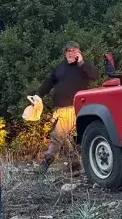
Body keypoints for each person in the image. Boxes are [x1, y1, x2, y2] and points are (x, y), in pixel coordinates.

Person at [32, 41, 98, 173]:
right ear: (65, 53)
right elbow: (49, 82)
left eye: (74, 50)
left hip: (73, 107)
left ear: (79, 52)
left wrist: (81, 63)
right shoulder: (60, 68)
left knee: (57, 135)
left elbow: (95, 76)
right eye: (69, 51)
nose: (72, 53)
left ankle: (45, 163)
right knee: (64, 137)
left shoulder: (83, 67)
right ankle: (74, 163)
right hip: (60, 108)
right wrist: (38, 95)